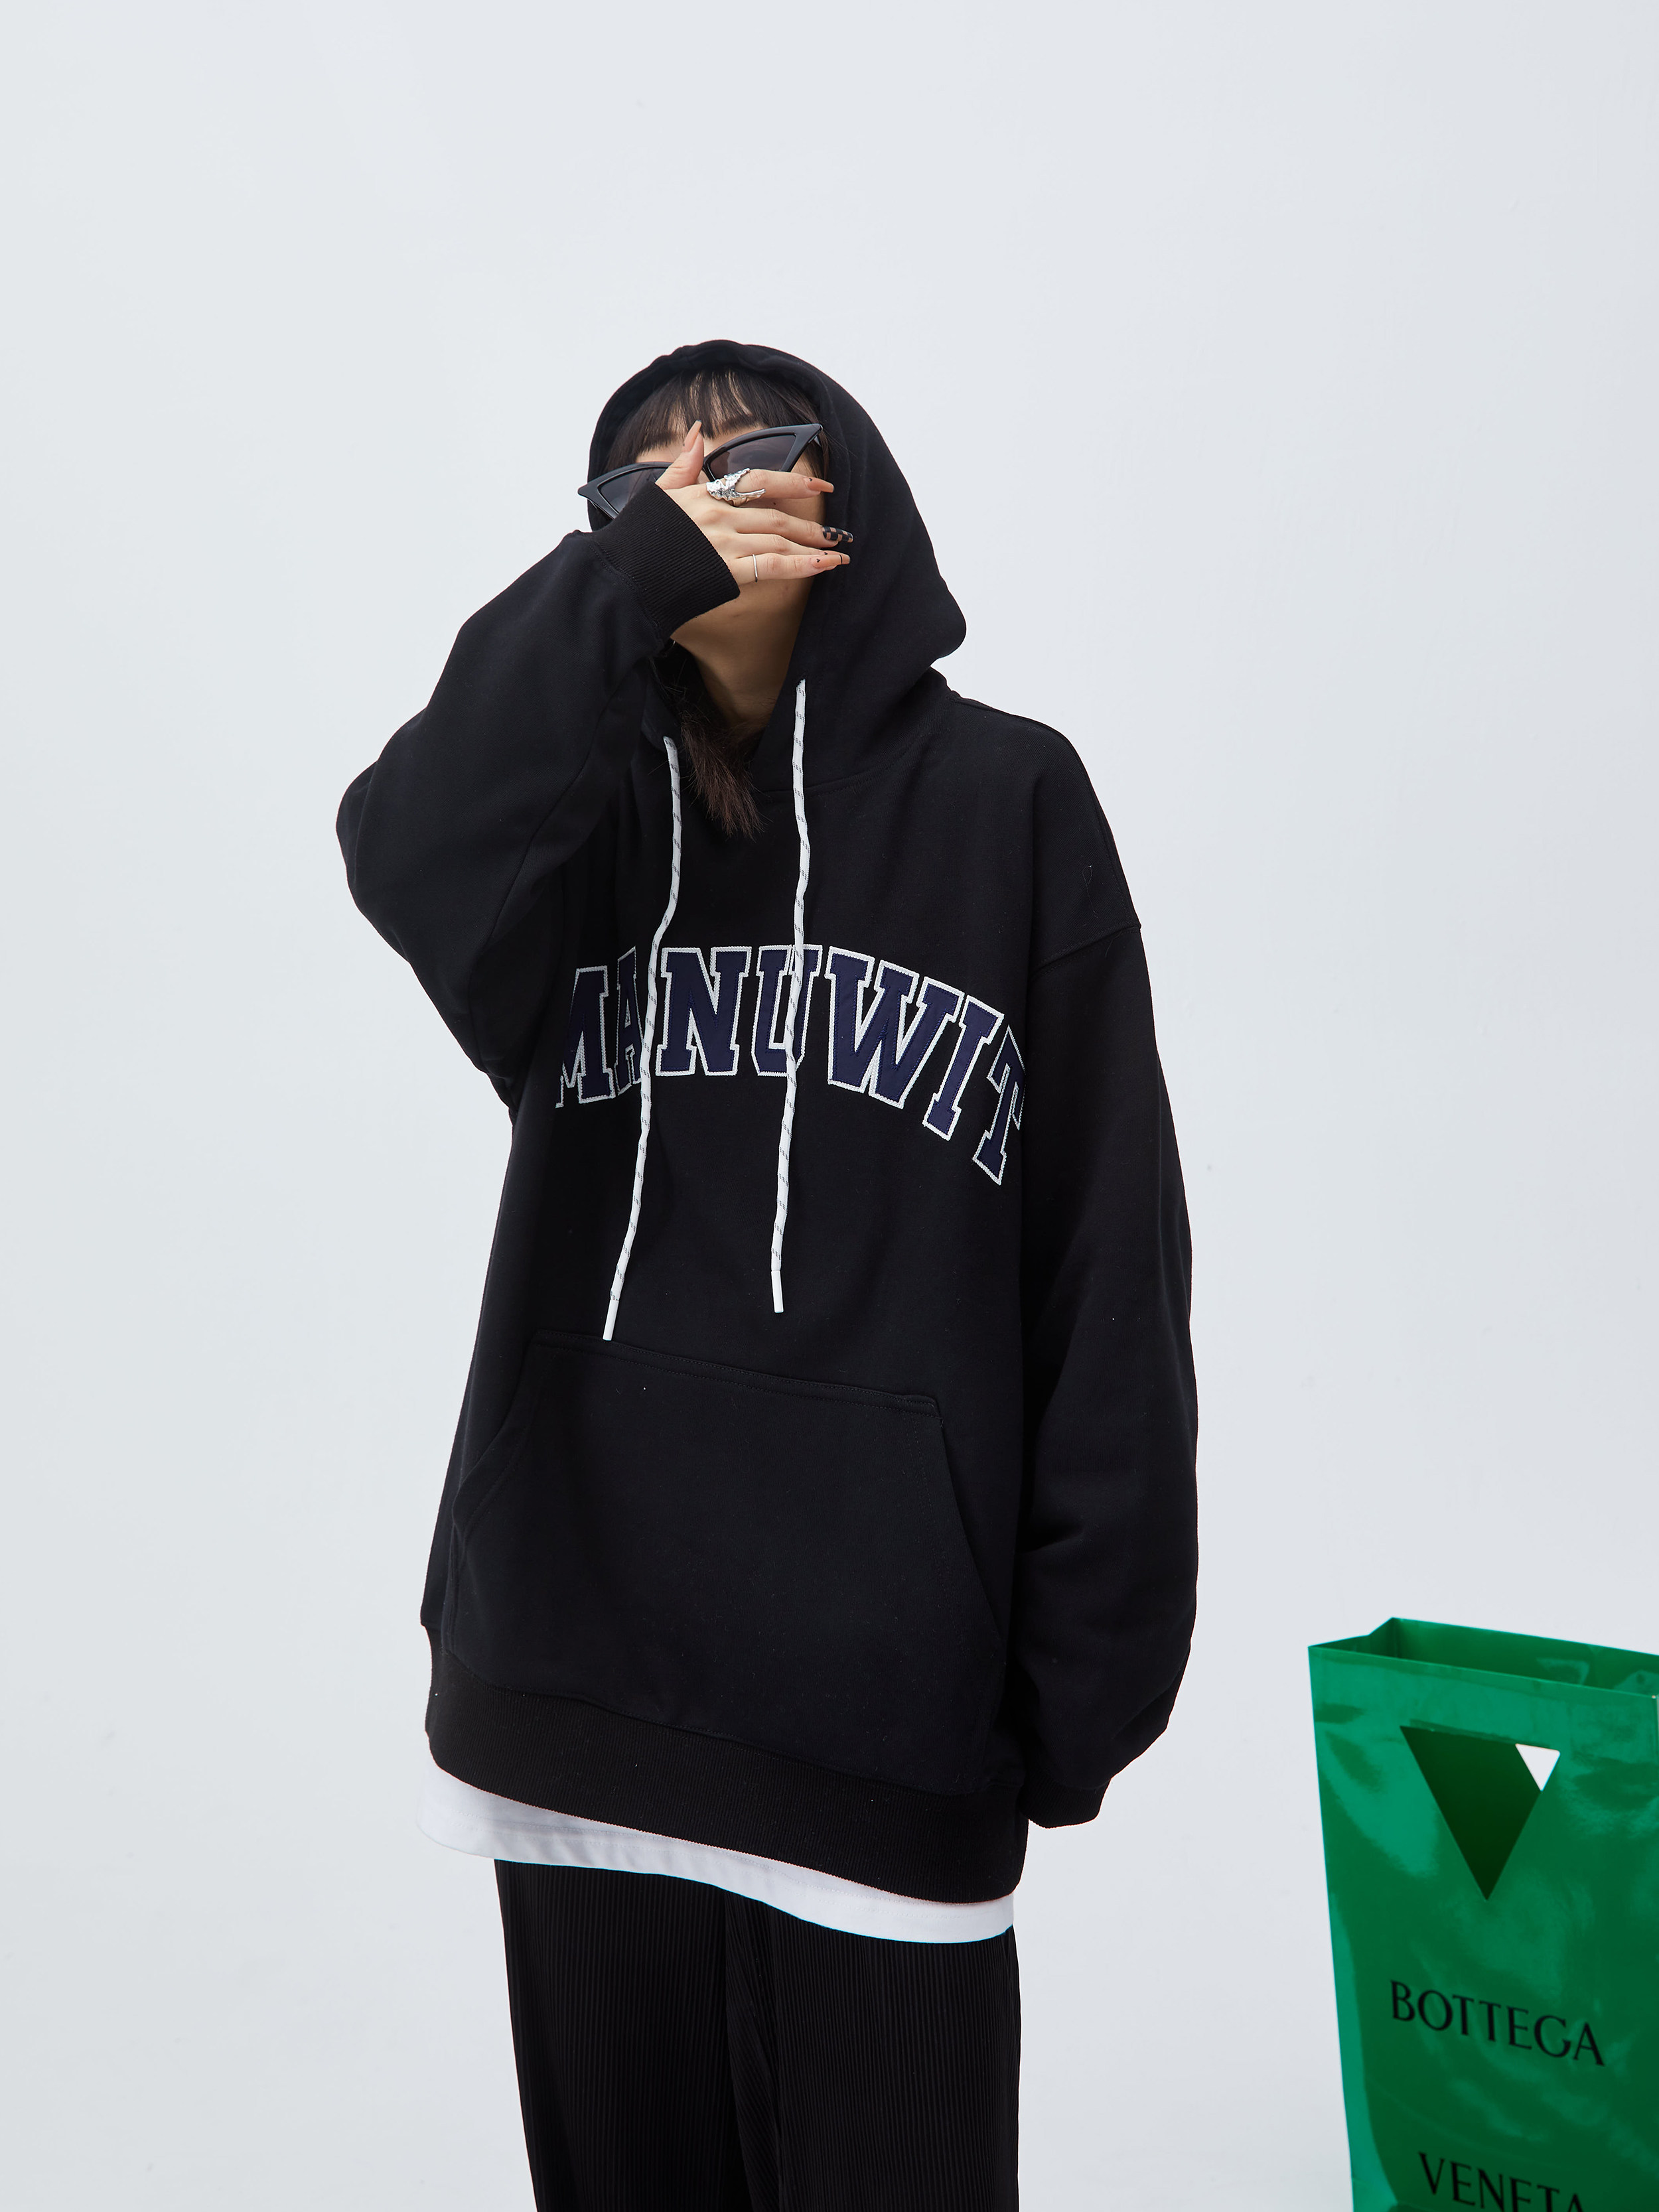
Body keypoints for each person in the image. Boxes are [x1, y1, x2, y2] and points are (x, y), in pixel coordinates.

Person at [338, 340, 1198, 2211]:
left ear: (846, 492)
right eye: (645, 487)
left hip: (886, 1724)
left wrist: (1087, 1674)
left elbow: (1106, 1250)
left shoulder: (1010, 801)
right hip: (572, 1697)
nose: (702, 497)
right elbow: (398, 845)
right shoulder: (564, 829)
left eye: (748, 456)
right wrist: (629, 585)